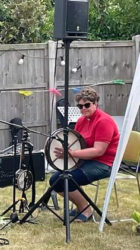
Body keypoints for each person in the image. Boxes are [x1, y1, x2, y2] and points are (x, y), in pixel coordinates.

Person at [49, 86, 119, 222]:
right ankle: (82, 206)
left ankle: (85, 209)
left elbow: (99, 151)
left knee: (67, 179)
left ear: (95, 104)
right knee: (55, 180)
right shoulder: (81, 121)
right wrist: (63, 149)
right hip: (85, 160)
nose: (83, 109)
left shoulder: (104, 121)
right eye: (80, 106)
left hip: (104, 163)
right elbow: (76, 143)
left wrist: (72, 153)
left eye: (87, 105)